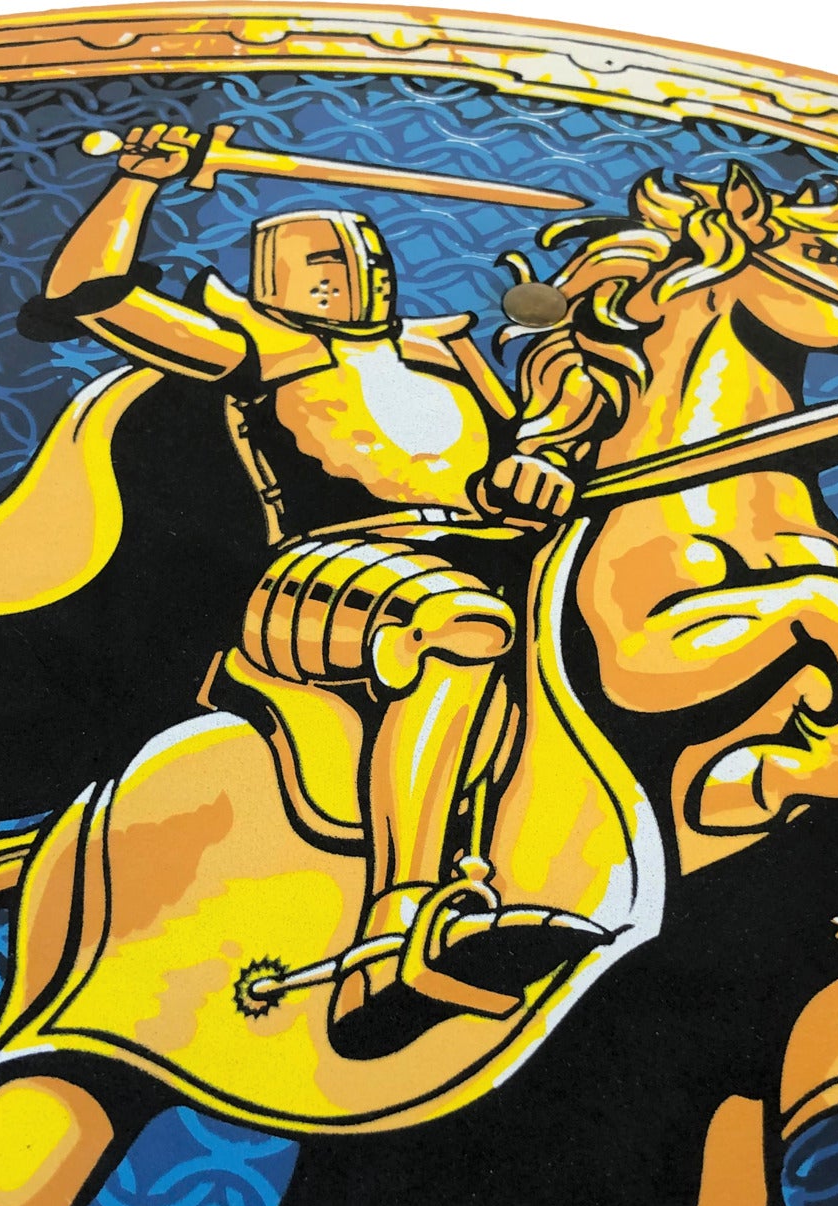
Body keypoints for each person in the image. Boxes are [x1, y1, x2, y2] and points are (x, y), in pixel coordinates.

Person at [32, 122, 605, 1044]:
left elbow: (518, 452)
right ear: (273, 277)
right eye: (322, 261)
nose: (351, 273)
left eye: (364, 256)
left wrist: (537, 467)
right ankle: (399, 933)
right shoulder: (256, 349)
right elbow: (89, 294)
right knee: (457, 625)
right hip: (321, 575)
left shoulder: (445, 353)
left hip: (487, 551)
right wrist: (139, 182)